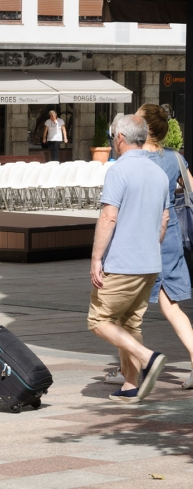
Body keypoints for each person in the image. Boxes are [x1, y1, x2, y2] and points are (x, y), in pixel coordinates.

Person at [105, 104, 193, 389]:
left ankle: (129, 372)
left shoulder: (135, 160)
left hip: (142, 242)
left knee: (125, 312)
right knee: (171, 307)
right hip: (171, 242)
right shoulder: (174, 159)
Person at [88, 114, 170, 403]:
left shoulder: (118, 171)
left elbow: (109, 217)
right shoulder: (159, 173)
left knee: (98, 320)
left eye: (112, 136)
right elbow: (164, 218)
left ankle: (148, 357)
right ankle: (131, 386)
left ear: (120, 138)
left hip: (121, 262)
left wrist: (97, 258)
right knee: (130, 324)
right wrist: (150, 246)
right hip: (149, 262)